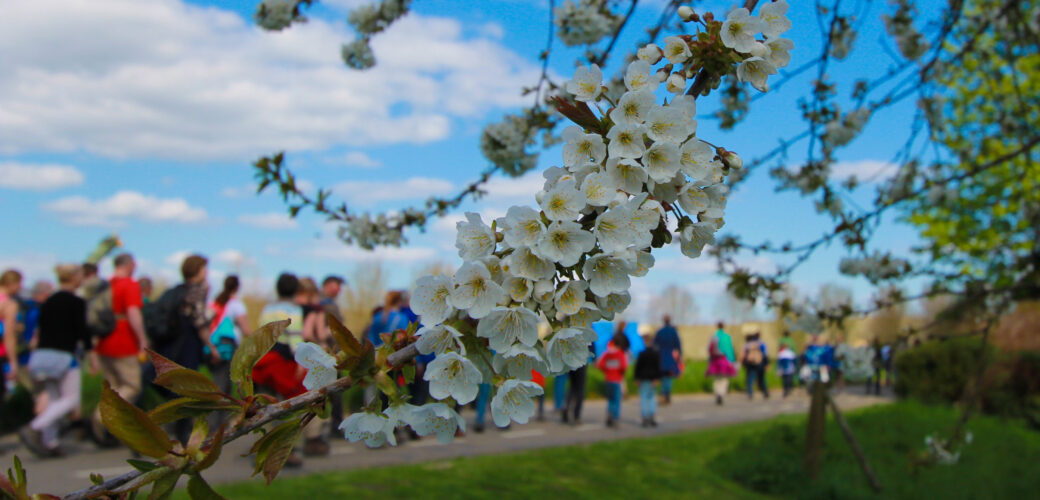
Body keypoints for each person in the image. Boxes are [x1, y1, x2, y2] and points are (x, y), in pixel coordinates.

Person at [19, 264, 90, 457]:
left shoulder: (48, 301)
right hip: (64, 355)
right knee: (71, 398)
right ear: (75, 278)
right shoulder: (76, 302)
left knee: (54, 399)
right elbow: (82, 330)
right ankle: (34, 427)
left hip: (42, 355)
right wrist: (90, 352)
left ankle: (50, 442)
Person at [252, 273, 321, 463]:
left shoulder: (267, 309)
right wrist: (301, 363)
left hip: (264, 359)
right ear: (295, 290)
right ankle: (287, 450)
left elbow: (260, 335)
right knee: (289, 406)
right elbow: (295, 338)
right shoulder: (294, 310)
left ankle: (264, 448)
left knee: (265, 407)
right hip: (282, 362)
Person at [91, 254, 147, 438]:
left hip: (103, 340)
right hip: (123, 339)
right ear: (130, 265)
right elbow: (133, 312)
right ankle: (101, 416)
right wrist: (142, 339)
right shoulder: (129, 284)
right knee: (132, 385)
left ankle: (111, 430)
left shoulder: (105, 285)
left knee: (113, 386)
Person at [207, 275, 251, 400]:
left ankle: (219, 410)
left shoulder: (215, 302)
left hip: (211, 346)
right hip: (227, 348)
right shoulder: (236, 305)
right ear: (237, 287)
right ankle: (217, 411)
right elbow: (246, 330)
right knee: (223, 386)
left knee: (219, 381)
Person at [1, 269, 25, 417]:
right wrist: (14, 363)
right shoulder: (9, 304)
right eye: (20, 284)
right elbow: (8, 336)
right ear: (12, 283)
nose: (20, 287)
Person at [597, 332, 629, 428]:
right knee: (616, 400)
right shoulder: (620, 353)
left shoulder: (607, 353)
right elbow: (623, 366)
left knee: (610, 400)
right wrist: (621, 373)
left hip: (608, 379)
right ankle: (615, 417)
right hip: (617, 379)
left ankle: (609, 416)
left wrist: (606, 371)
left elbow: (600, 364)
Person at [652, 315, 682, 406]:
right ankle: (667, 394)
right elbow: (678, 345)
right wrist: (679, 356)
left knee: (662, 376)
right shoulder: (673, 332)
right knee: (668, 376)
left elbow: (654, 344)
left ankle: (663, 393)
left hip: (661, 357)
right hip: (671, 357)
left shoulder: (659, 332)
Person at [706, 322, 737, 405]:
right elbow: (730, 349)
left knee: (716, 378)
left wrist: (709, 360)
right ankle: (721, 393)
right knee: (724, 378)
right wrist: (732, 361)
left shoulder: (714, 336)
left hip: (715, 360)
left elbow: (710, 349)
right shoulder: (727, 337)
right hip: (725, 360)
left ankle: (717, 393)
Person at [634, 333, 661, 428]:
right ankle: (651, 416)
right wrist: (657, 378)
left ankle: (645, 417)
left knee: (644, 398)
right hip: (653, 378)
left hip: (644, 378)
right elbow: (658, 367)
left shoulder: (642, 354)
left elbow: (638, 367)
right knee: (652, 398)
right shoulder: (656, 353)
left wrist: (636, 378)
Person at [740, 331, 769, 400]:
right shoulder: (761, 344)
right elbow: (765, 354)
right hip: (760, 363)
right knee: (761, 378)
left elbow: (743, 355)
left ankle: (750, 393)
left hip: (750, 364)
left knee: (750, 379)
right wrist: (766, 364)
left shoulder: (746, 345)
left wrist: (741, 363)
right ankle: (765, 392)